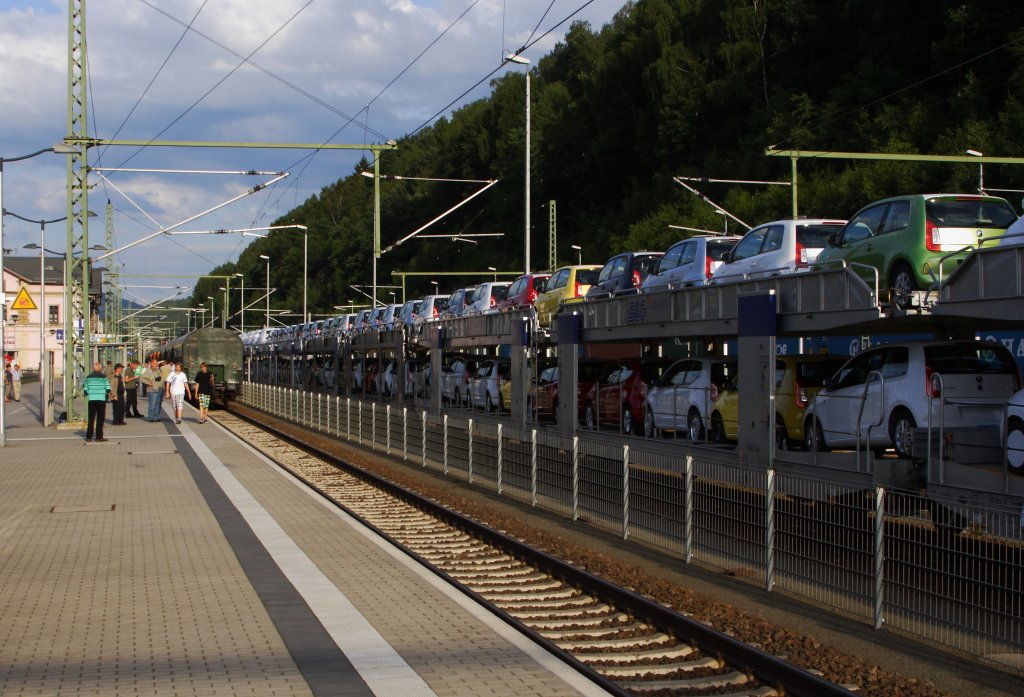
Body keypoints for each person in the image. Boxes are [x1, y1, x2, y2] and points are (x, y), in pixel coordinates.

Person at [83, 361, 111, 442]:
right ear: (101, 368)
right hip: (101, 399)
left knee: (91, 419)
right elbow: (108, 388)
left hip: (91, 400)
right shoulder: (104, 377)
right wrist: (104, 392)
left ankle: (89, 437)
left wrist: (90, 393)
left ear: (93, 368)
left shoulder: (88, 377)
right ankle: (99, 436)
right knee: (100, 419)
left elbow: (85, 389)